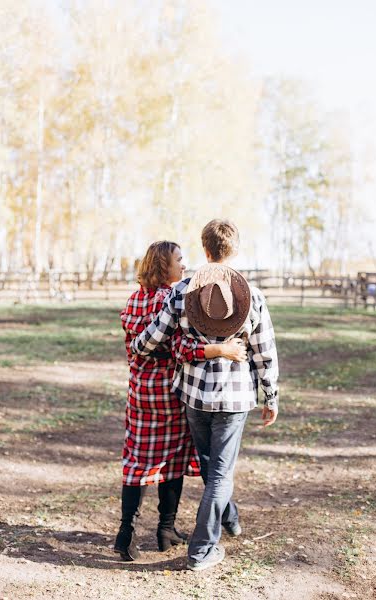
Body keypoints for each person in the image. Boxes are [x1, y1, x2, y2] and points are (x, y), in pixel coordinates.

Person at [130, 220, 279, 571]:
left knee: (214, 467)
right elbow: (264, 352)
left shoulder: (181, 291)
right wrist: (271, 396)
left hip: (194, 396)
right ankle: (202, 549)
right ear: (235, 250)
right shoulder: (252, 297)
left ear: (205, 248)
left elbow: (148, 342)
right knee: (220, 472)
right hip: (234, 398)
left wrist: (139, 345)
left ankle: (229, 517)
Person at [114, 240, 247, 561]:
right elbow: (180, 349)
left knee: (138, 460)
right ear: (164, 266)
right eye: (178, 260)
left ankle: (126, 533)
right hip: (170, 391)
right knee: (171, 460)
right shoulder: (171, 298)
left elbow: (134, 347)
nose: (183, 265)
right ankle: (165, 526)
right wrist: (218, 349)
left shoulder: (134, 299)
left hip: (140, 392)